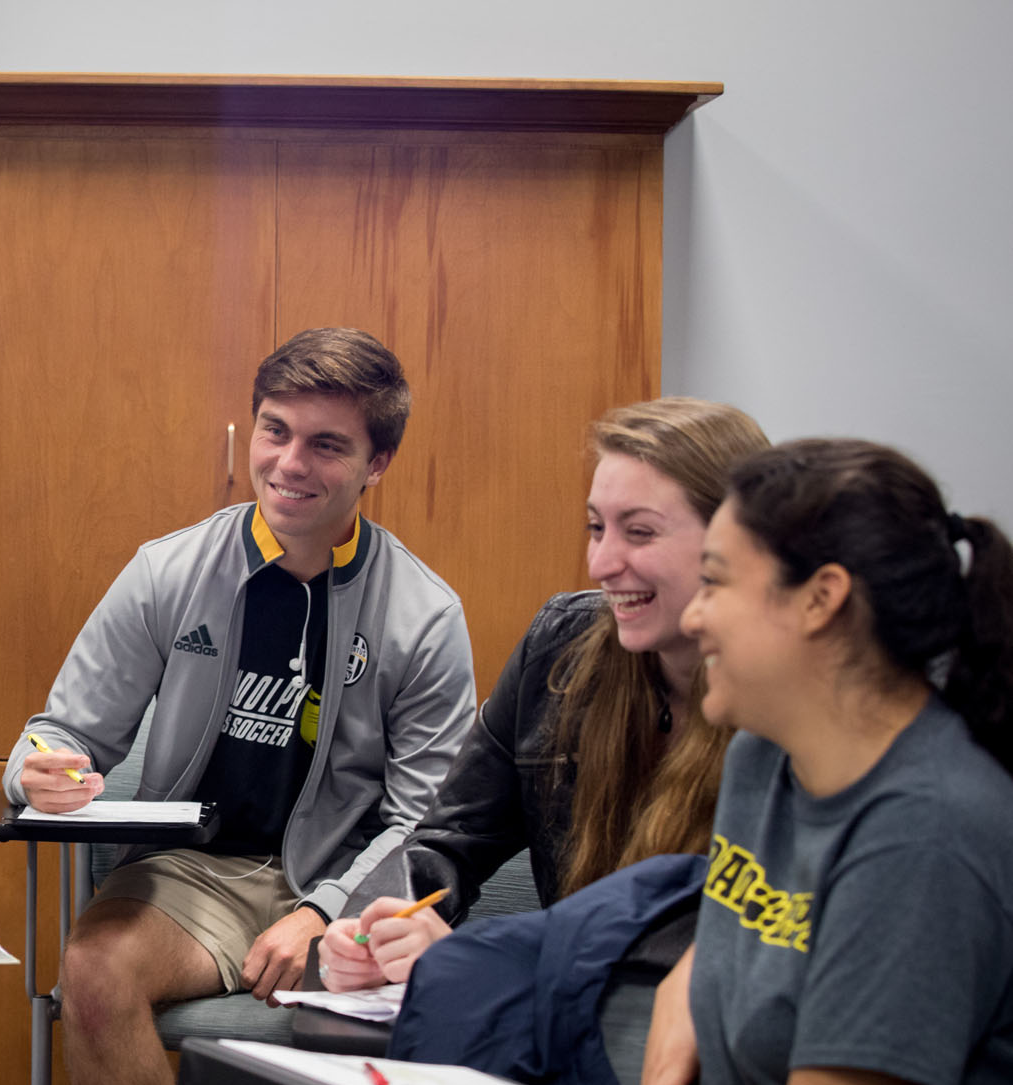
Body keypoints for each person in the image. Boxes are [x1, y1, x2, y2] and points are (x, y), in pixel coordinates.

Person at [9, 327, 475, 1085]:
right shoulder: (169, 571)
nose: (289, 464)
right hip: (195, 872)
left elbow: (428, 817)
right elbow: (64, 730)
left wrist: (325, 911)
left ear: (376, 463)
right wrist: (39, 772)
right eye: (276, 432)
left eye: (326, 445)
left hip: (348, 884)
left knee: (435, 998)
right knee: (93, 971)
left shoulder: (424, 616)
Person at [619, 438, 1013, 1085]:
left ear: (821, 598)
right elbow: (726, 947)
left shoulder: (925, 836)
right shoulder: (762, 752)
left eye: (716, 582)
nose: (696, 617)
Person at [319, 399, 770, 990]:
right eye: (596, 528)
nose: (602, 563)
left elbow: (712, 941)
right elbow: (449, 840)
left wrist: (481, 957)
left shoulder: (786, 702)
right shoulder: (559, 648)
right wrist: (372, 926)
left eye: (640, 532)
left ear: (733, 542)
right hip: (564, 1010)